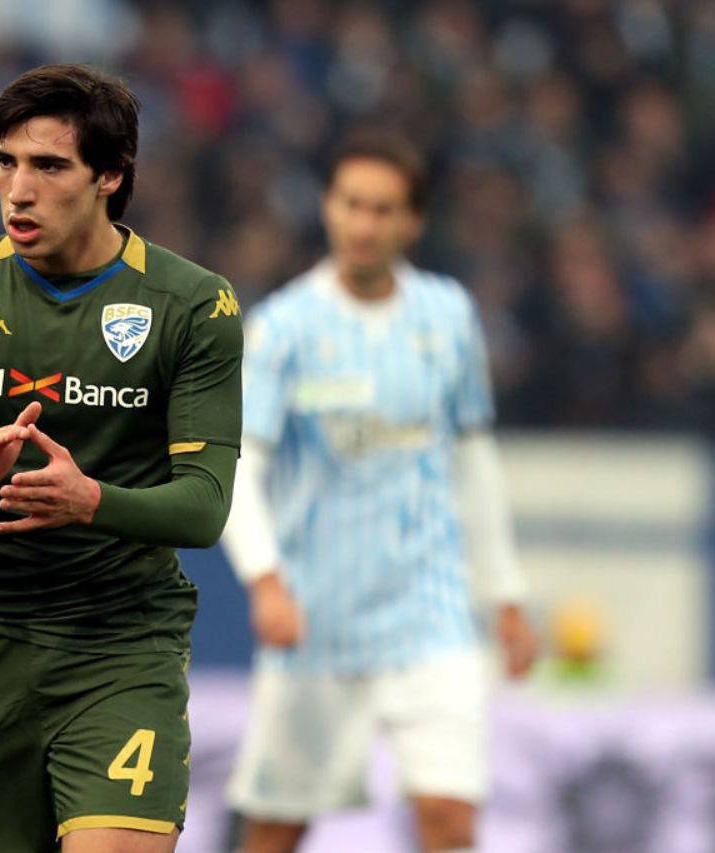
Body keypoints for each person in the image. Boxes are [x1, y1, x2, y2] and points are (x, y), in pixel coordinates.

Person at [0, 64, 243, 853]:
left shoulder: (192, 306)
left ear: (110, 176)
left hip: (120, 644)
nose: (17, 189)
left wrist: (91, 499)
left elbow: (205, 504)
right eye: (6, 161)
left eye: (48, 166)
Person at [221, 130, 539, 853]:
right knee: (274, 828)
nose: (364, 225)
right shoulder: (284, 328)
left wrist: (505, 595)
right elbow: (238, 465)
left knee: (450, 818)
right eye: (351, 204)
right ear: (329, 209)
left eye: (383, 209)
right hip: (317, 618)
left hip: (431, 616)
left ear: (412, 222)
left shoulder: (448, 316)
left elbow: (473, 459)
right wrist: (265, 576)